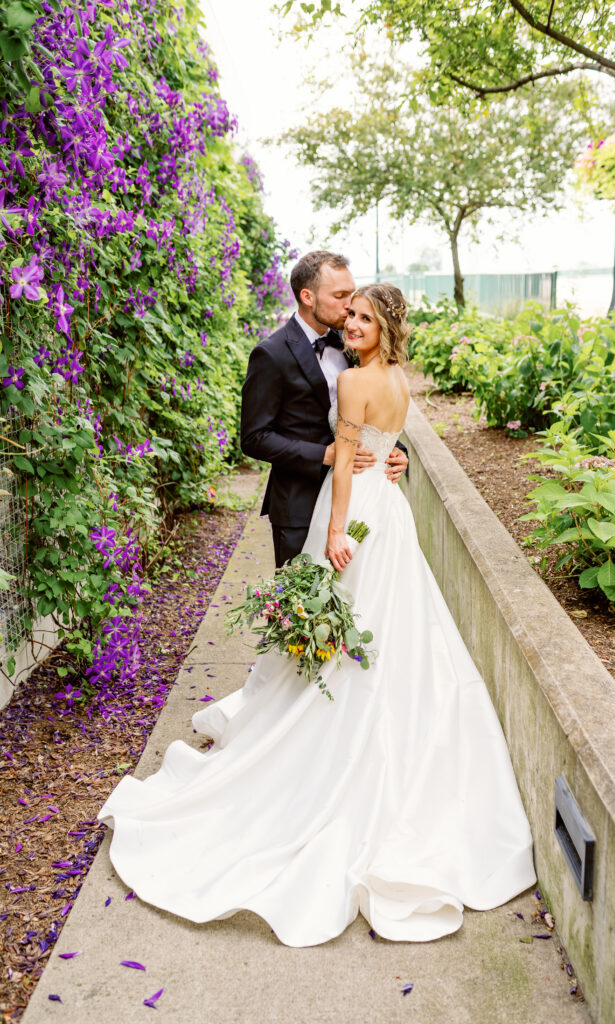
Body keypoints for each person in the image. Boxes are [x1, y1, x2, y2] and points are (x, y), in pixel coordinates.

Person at [98, 283, 535, 947]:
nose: (351, 324)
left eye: (363, 316)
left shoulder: (359, 382)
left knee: (349, 617)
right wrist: (383, 469)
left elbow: (347, 468)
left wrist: (336, 535)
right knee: (382, 623)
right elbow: (384, 443)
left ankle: (325, 732)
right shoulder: (397, 379)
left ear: (384, 325)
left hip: (355, 508)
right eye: (348, 312)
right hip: (387, 513)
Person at [240, 250, 409, 567]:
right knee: (298, 610)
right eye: (340, 296)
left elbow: (363, 414)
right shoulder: (270, 354)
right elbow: (254, 437)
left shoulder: (352, 344)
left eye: (352, 293)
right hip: (299, 508)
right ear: (307, 296)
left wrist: (394, 450)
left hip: (359, 502)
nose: (350, 305)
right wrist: (324, 455)